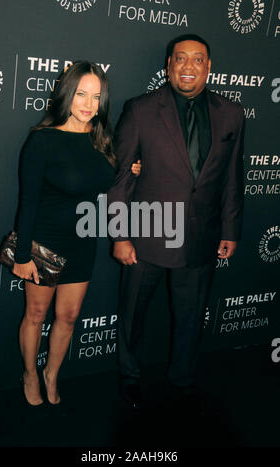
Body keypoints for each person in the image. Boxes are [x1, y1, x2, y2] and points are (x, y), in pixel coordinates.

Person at [107, 34, 245, 409]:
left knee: (190, 316)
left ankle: (182, 377)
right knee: (132, 314)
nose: (188, 66)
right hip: (146, 235)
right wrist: (119, 235)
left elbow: (233, 176)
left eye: (197, 59)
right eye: (180, 59)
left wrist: (231, 229)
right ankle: (130, 374)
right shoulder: (139, 109)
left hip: (202, 237)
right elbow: (120, 178)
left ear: (208, 67)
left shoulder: (231, 113)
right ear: (168, 65)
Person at [12, 61, 141, 407]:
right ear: (66, 94)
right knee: (36, 316)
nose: (88, 104)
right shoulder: (42, 140)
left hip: (84, 242)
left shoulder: (102, 141)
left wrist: (129, 170)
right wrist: (23, 255)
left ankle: (52, 373)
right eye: (81, 94)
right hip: (44, 243)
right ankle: (29, 373)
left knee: (67, 318)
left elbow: (109, 184)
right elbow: (28, 202)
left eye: (96, 97)